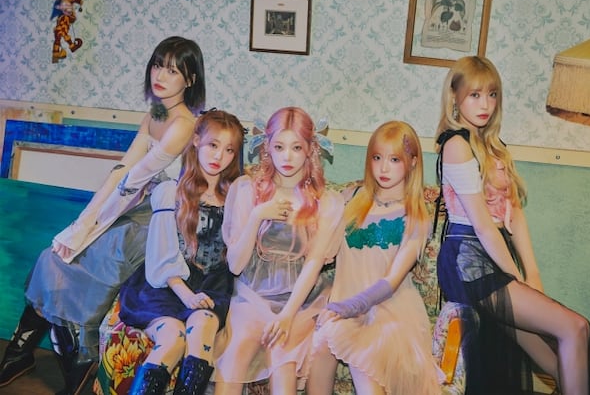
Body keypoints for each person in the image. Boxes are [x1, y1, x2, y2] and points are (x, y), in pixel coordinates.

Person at [0, 36, 206, 394]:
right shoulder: (155, 114)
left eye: (173, 71)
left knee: (85, 255)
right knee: (52, 255)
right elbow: (122, 170)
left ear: (190, 80)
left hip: (162, 221)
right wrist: (83, 221)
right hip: (136, 208)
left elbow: (134, 180)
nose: (160, 75)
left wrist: (89, 226)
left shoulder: (184, 124)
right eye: (158, 65)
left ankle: (74, 355)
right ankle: (29, 353)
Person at [434, 56, 590, 395]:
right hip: (469, 263)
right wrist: (517, 279)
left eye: (492, 94)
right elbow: (482, 225)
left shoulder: (494, 146)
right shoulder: (456, 145)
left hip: (494, 259)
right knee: (576, 327)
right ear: (455, 97)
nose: (485, 104)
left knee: (556, 358)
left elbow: (515, 213)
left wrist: (532, 274)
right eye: (475, 95)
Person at [212, 106, 344, 395]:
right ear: (267, 147)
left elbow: (314, 263)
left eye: (296, 147)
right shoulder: (247, 190)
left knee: (282, 359)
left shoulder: (326, 202)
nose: (287, 157)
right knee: (233, 360)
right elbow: (235, 266)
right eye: (279, 147)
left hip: (300, 300)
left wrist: (287, 315)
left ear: (310, 149)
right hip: (252, 295)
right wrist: (257, 215)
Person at [306, 121, 443, 395]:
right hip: (344, 308)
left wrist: (347, 308)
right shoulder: (350, 198)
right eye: (377, 158)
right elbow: (321, 250)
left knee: (362, 355)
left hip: (389, 313)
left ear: (413, 162)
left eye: (394, 160)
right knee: (321, 344)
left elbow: (392, 281)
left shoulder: (416, 216)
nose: (383, 168)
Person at [118, 110, 245, 395]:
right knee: (174, 338)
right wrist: (187, 295)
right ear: (197, 141)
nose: (219, 156)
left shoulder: (237, 197)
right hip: (166, 285)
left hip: (212, 285)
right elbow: (161, 253)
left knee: (202, 327)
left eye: (229, 150)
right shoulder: (170, 191)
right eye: (213, 145)